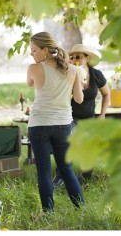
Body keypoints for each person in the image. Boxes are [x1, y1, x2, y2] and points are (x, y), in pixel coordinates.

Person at [26, 32, 85, 213]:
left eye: (34, 50)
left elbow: (29, 83)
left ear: (45, 50)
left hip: (39, 125)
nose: (31, 54)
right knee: (66, 169)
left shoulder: (34, 68)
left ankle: (48, 213)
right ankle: (81, 209)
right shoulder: (73, 70)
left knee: (43, 172)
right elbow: (79, 99)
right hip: (63, 125)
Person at [52, 43, 111, 189]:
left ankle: (86, 177)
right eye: (71, 57)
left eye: (78, 56)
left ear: (87, 58)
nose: (74, 59)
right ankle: (60, 177)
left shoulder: (96, 75)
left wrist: (102, 114)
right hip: (69, 118)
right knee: (66, 144)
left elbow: (106, 94)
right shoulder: (68, 73)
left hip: (89, 119)